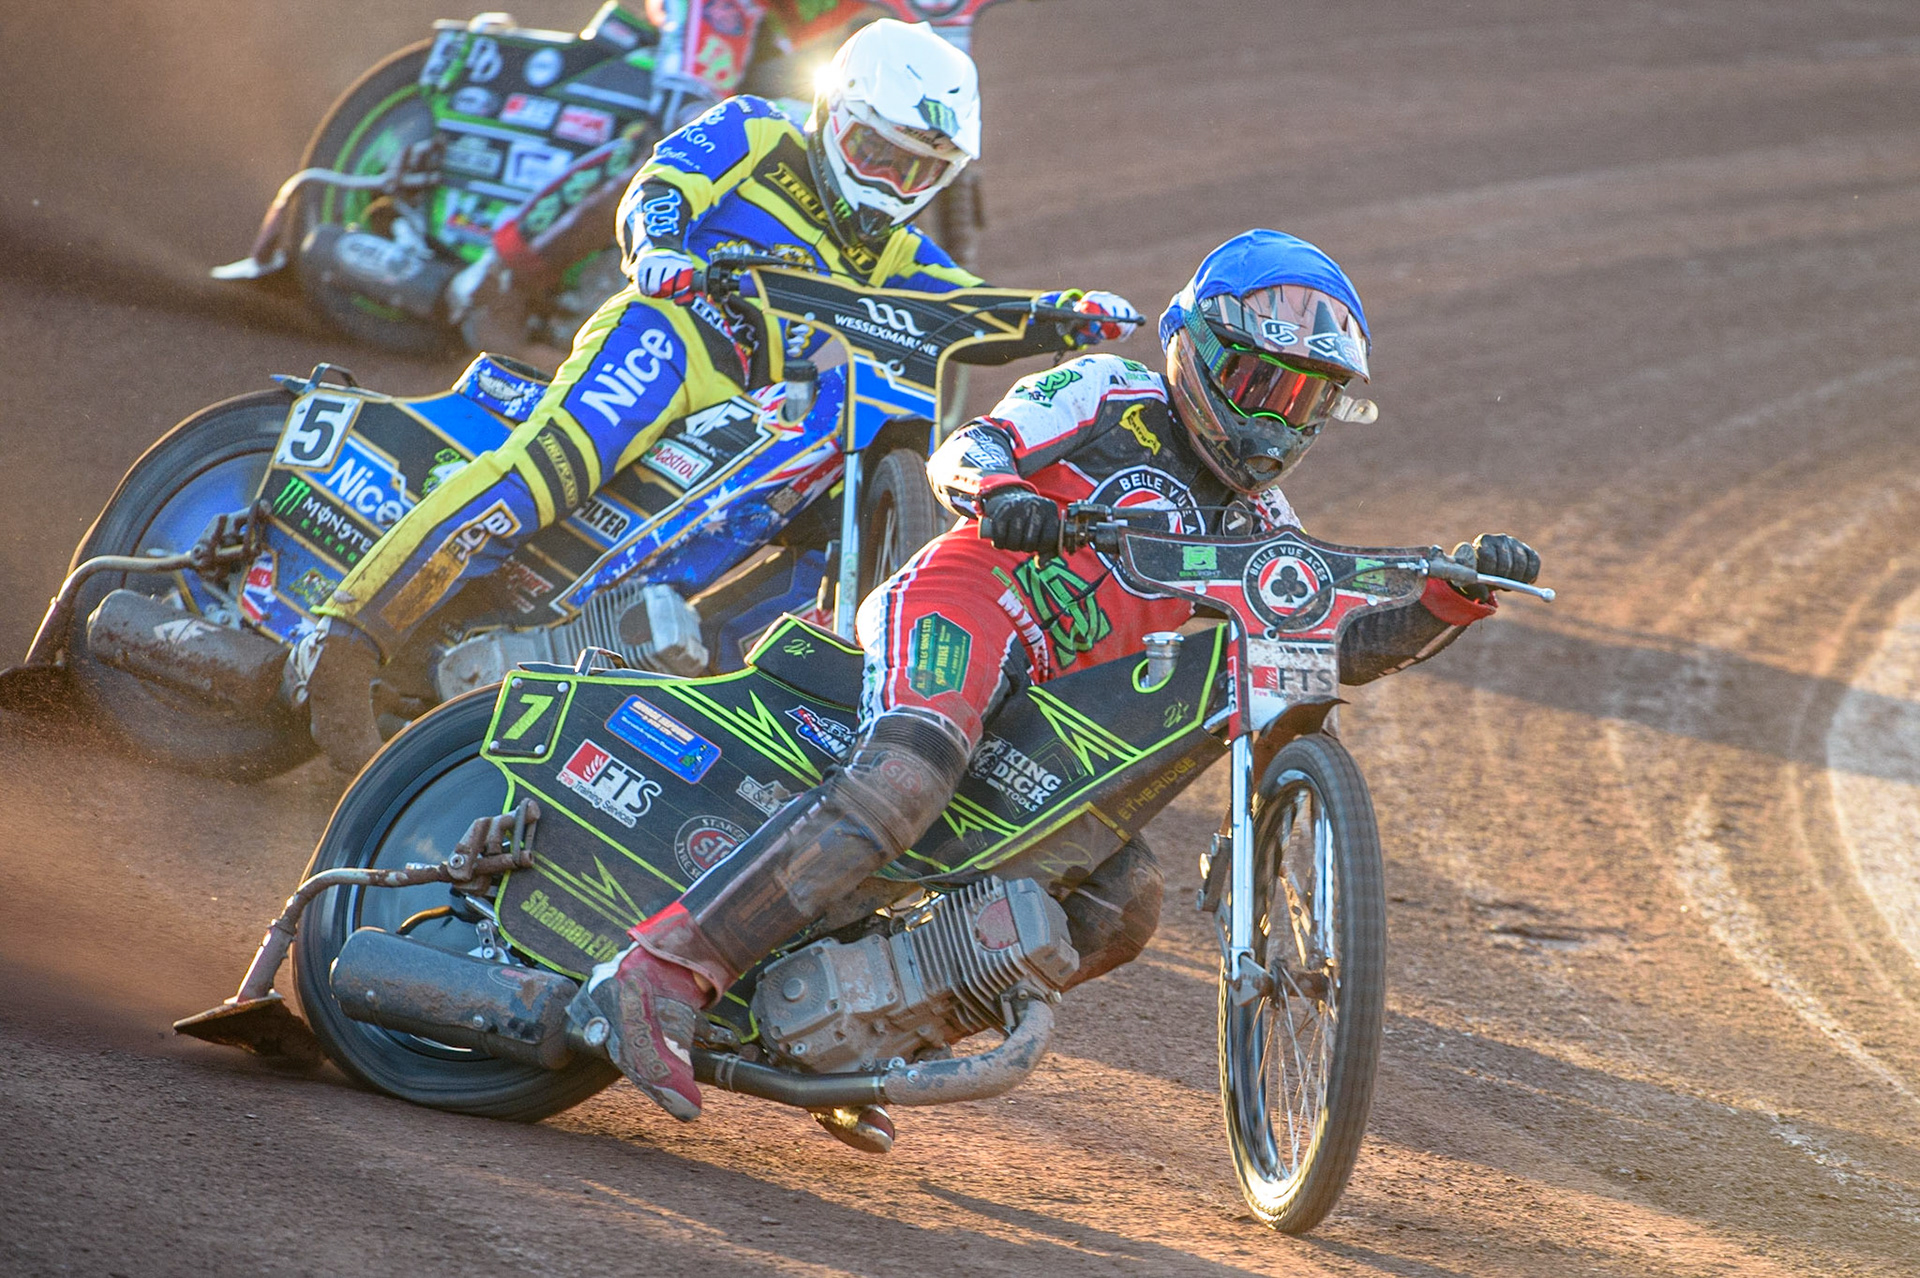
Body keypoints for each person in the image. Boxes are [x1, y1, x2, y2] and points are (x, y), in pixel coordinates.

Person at [563, 228, 1542, 1134]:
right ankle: (660, 971)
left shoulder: (1257, 523)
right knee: (908, 774)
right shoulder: (1109, 391)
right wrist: (1004, 499)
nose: (1276, 419)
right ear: (1194, 348)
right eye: (1257, 381)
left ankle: (852, 1045)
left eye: (1305, 399)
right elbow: (970, 450)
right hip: (961, 606)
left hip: (1051, 705)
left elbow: (1333, 636)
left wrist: (1447, 599)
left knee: (1124, 906)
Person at [303, 17, 1141, 769]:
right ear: (834, 114)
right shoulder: (757, 131)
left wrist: (1063, 317)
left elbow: (966, 307)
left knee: (799, 534)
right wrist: (660, 245)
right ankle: (347, 638)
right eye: (874, 151)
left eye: (917, 167)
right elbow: (662, 186)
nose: (889, 179)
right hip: (666, 339)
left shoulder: (897, 252)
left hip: (748, 405)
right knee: (551, 467)